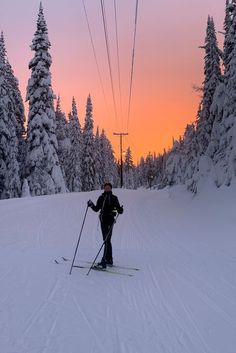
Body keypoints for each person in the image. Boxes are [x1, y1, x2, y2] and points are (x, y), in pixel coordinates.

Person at [87, 182, 123, 268]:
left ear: (111, 189)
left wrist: (120, 210)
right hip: (103, 221)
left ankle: (104, 260)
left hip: (110, 220)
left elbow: (118, 209)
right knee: (106, 240)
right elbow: (96, 209)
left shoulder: (114, 198)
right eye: (105, 187)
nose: (107, 189)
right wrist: (91, 205)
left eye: (108, 187)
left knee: (107, 240)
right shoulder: (101, 197)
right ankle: (109, 260)